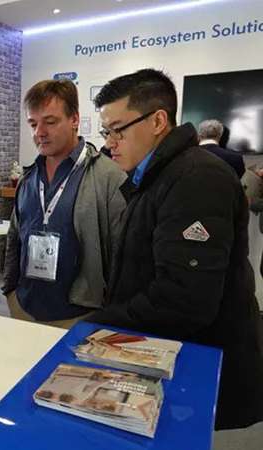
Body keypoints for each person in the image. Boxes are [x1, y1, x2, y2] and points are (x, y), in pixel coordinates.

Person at [89, 68, 263, 430]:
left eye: (118, 130)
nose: (109, 143)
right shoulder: (156, 175)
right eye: (106, 132)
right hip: (163, 352)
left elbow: (184, 299)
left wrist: (100, 324)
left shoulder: (197, 178)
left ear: (157, 121)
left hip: (199, 365)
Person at [2, 79, 126, 328]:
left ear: (74, 119)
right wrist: (9, 291)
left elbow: (121, 257)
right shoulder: (28, 178)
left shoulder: (109, 177)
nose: (39, 132)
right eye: (33, 124)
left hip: (80, 316)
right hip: (24, 309)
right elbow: (15, 239)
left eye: (50, 122)